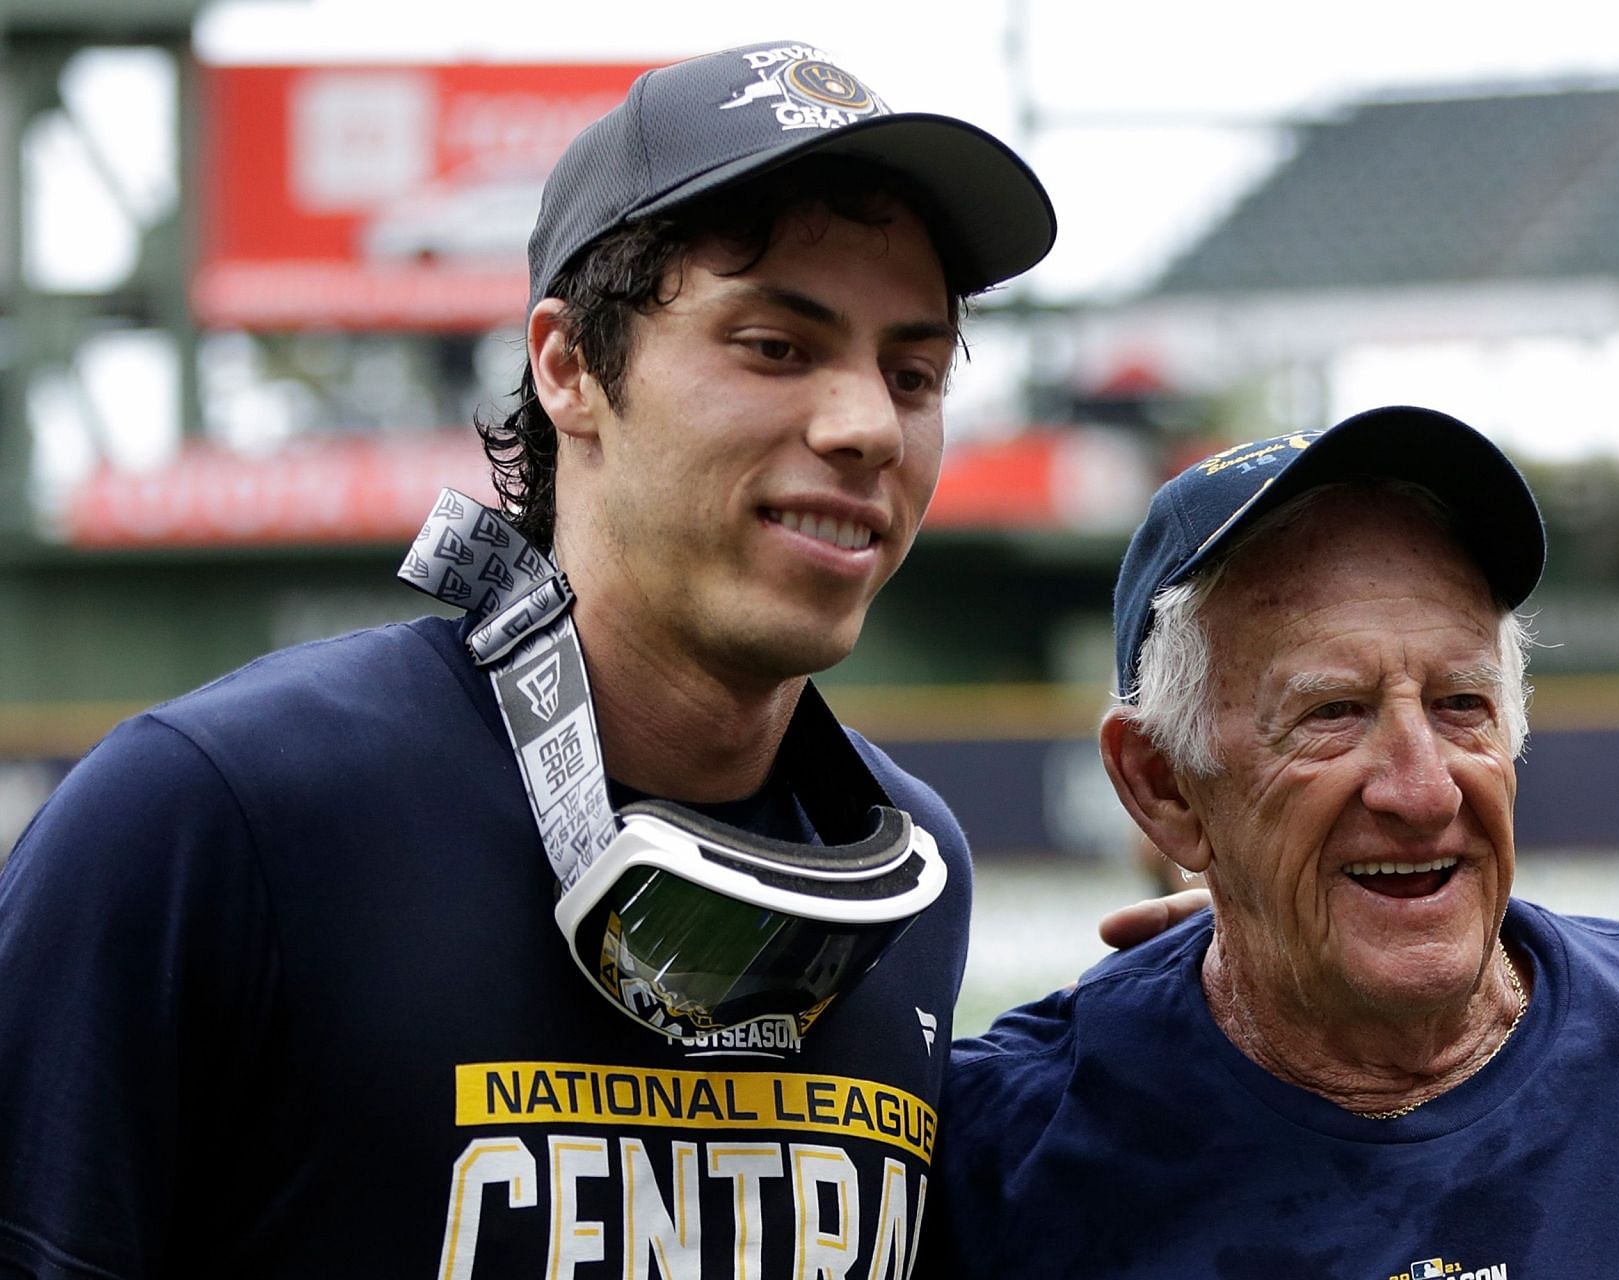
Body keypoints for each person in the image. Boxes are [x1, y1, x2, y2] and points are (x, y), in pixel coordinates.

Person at [0, 40, 1056, 1277]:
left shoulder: (915, 873)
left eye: (914, 372)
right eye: (775, 345)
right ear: (567, 366)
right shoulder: (213, 816)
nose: (868, 424)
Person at [929, 406, 1619, 1276]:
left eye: (1462, 704)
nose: (1423, 787)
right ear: (1162, 783)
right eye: (1333, 710)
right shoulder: (997, 1159)